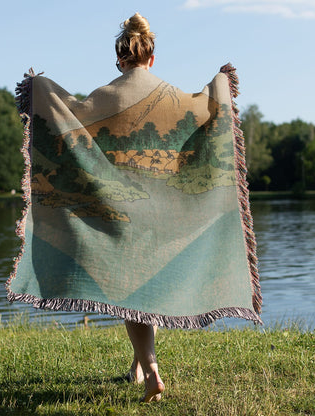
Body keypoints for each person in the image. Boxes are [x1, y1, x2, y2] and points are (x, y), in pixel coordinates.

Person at [115, 13, 165, 403]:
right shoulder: (169, 94)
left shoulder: (107, 94)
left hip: (121, 207)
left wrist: (40, 90)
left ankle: (151, 371)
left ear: (121, 59)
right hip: (164, 206)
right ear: (151, 58)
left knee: (130, 294)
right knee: (147, 288)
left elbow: (70, 122)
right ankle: (136, 366)